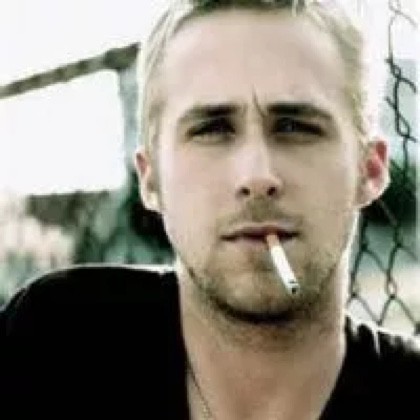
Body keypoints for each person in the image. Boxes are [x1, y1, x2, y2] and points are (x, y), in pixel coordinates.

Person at [1, 0, 419, 418]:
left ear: (370, 169)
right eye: (212, 129)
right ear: (151, 178)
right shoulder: (53, 342)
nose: (257, 176)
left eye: (295, 126)